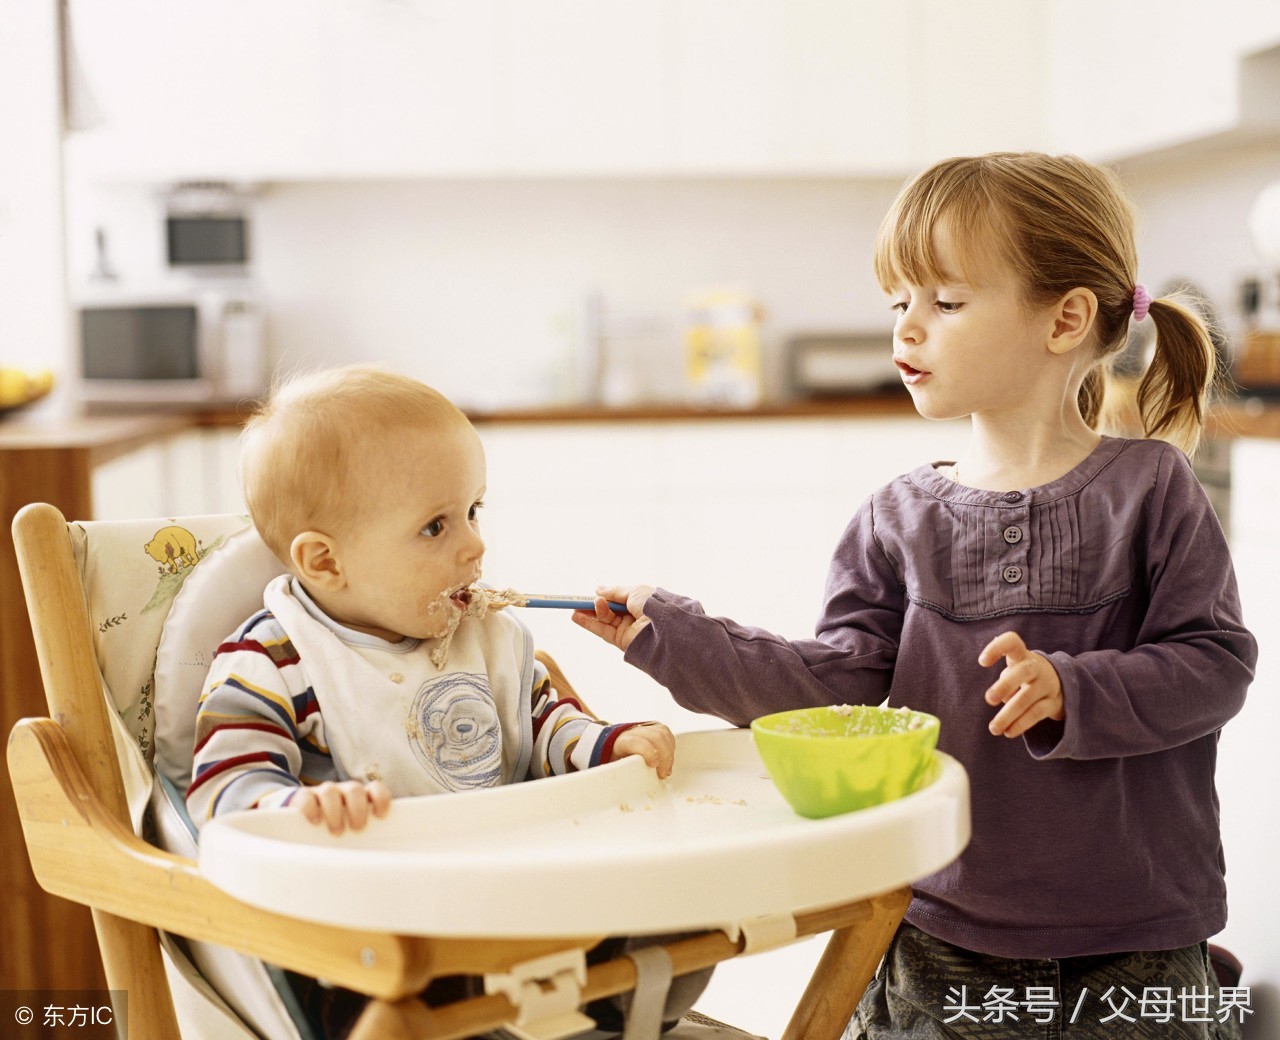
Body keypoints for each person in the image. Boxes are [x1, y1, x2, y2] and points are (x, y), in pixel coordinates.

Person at [574, 152, 1257, 1040]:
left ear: (1067, 319)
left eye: (945, 302)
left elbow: (1214, 666)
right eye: (899, 303)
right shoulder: (896, 517)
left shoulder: (1153, 489)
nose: (907, 331)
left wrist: (1073, 689)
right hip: (939, 927)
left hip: (1138, 936)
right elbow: (837, 690)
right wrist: (677, 639)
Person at [187, 364, 706, 1039]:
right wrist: (294, 808)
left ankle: (608, 995)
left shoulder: (487, 637)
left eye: (473, 511)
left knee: (685, 902)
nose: (474, 544)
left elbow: (543, 721)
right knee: (382, 994)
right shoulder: (276, 660)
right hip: (377, 936)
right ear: (323, 563)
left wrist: (604, 745)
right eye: (435, 527)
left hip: (517, 900)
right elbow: (221, 790)